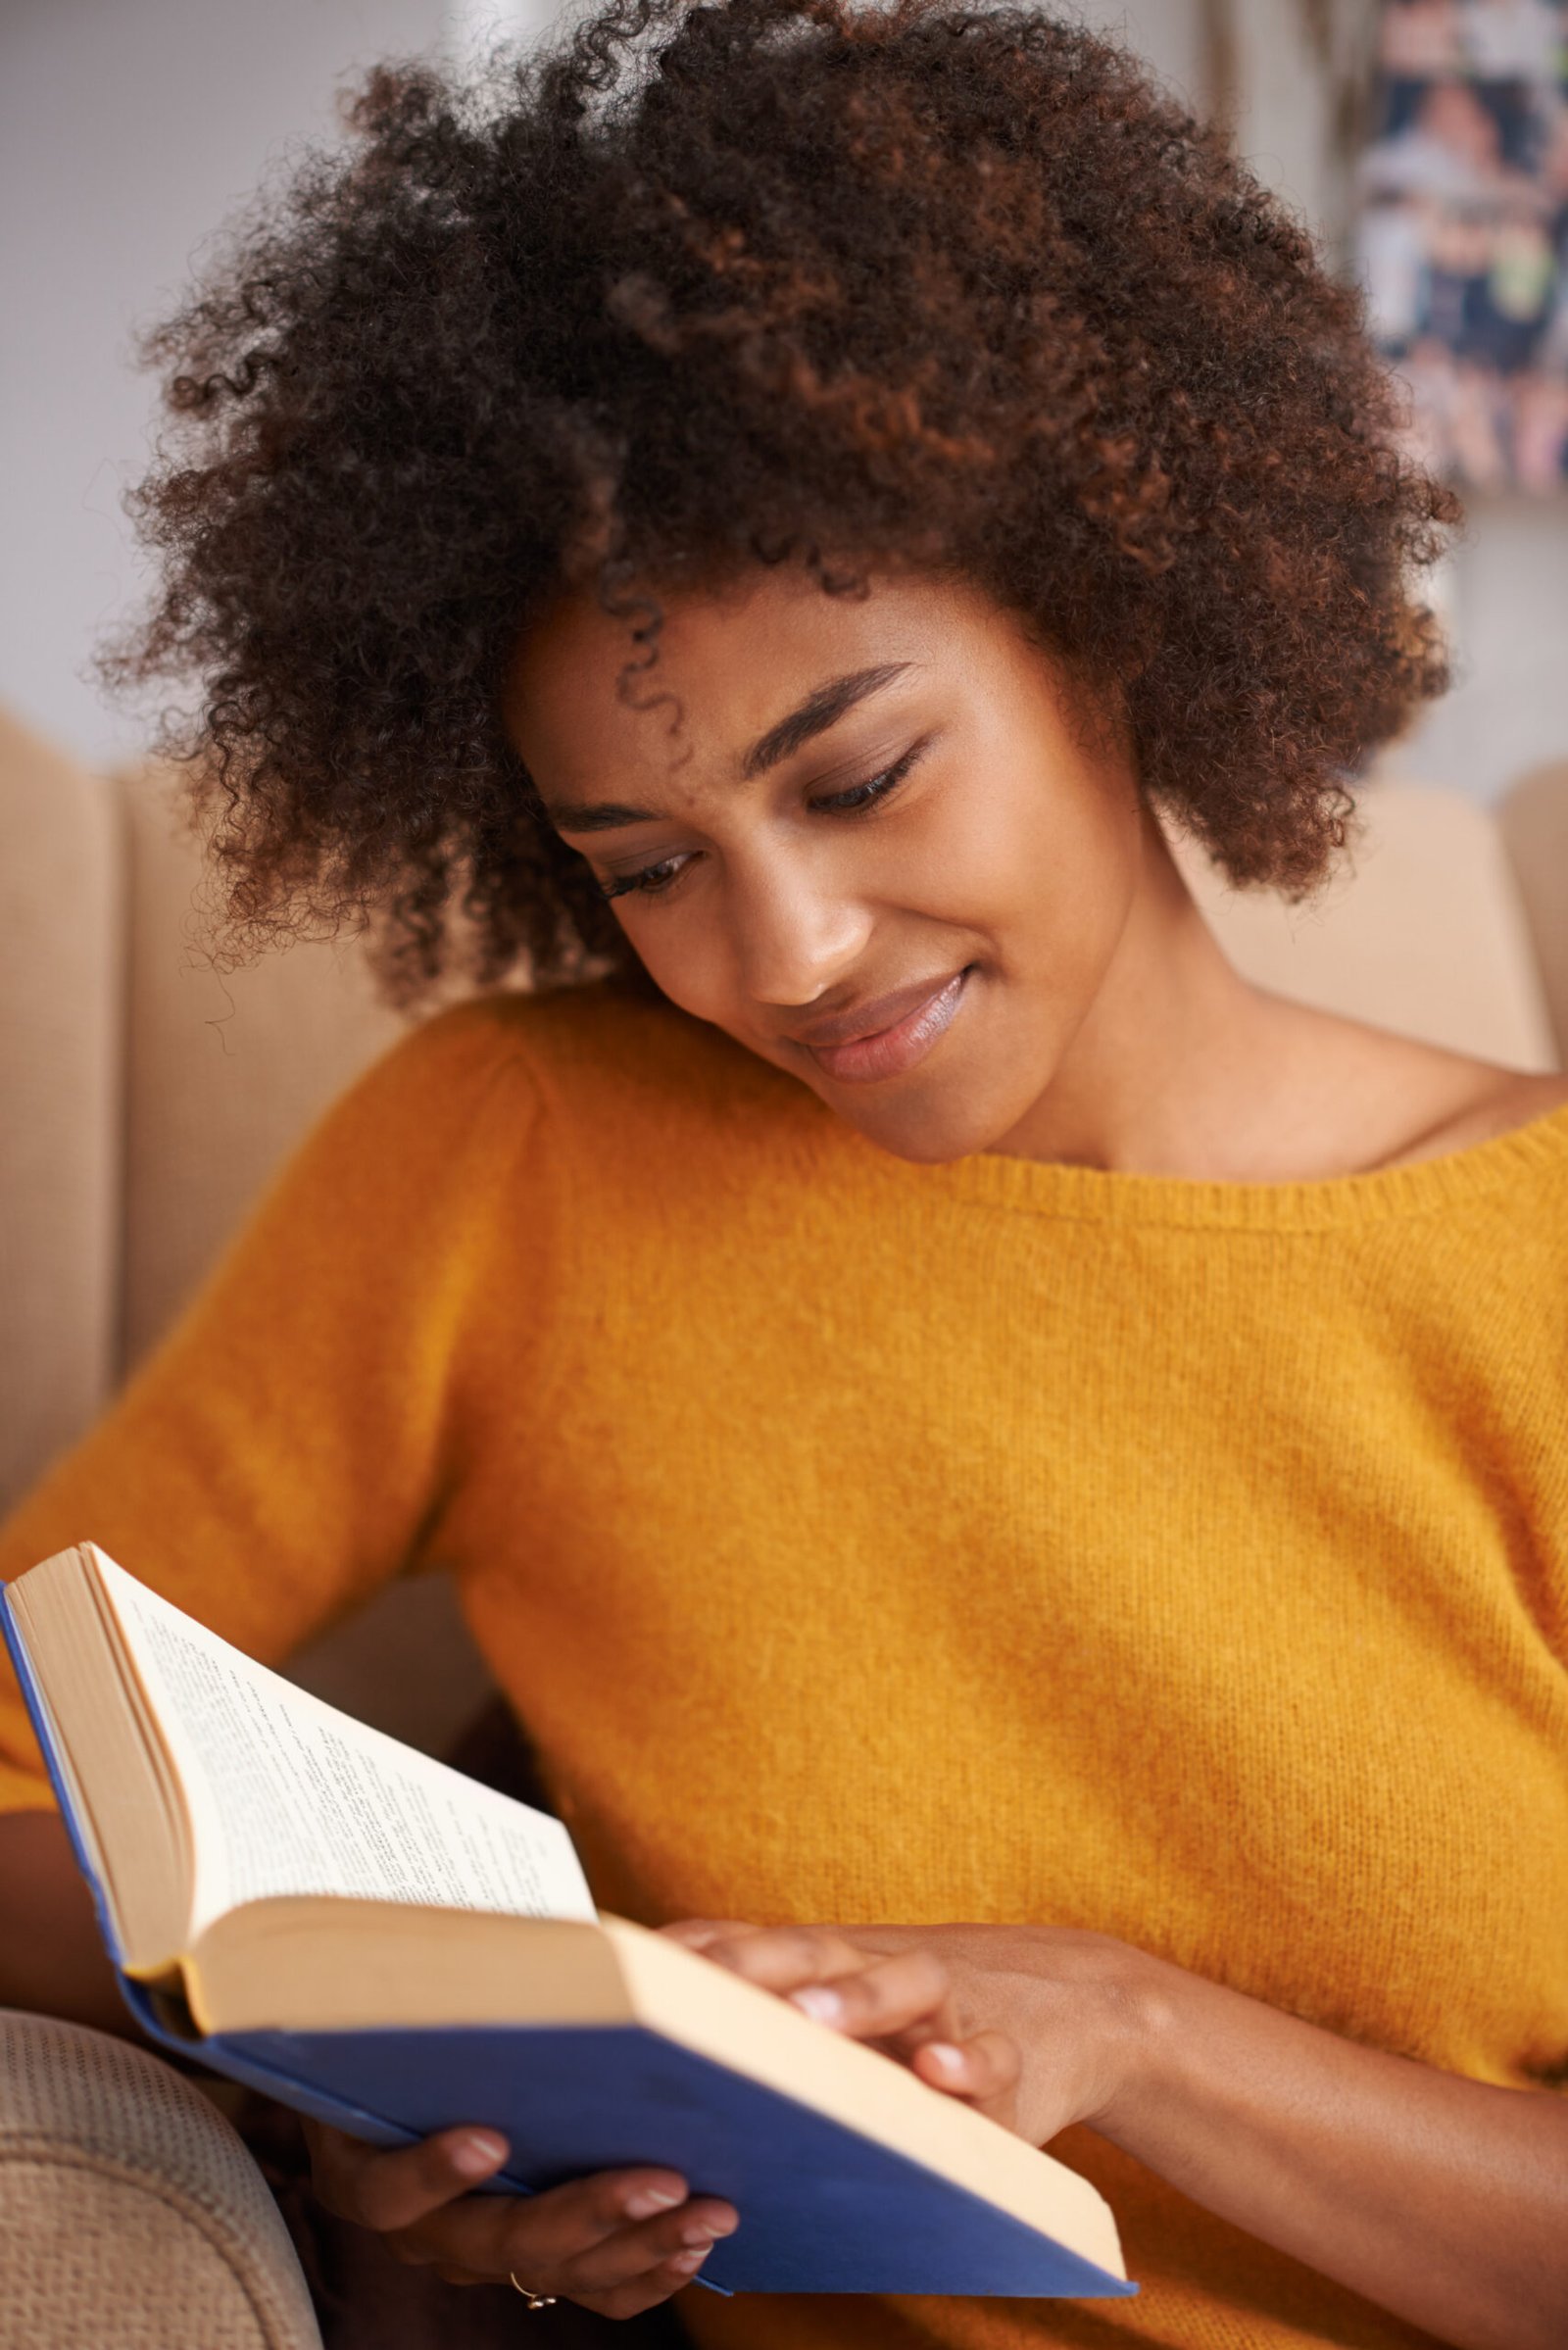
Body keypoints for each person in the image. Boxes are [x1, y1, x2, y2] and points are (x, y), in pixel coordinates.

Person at [2, 5, 1566, 2348]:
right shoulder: (519, 1166)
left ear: (1112, 617)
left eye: (857, 780)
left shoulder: (1523, 1261)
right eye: (643, 864)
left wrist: (1121, 2025)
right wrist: (380, 2094)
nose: (785, 955)